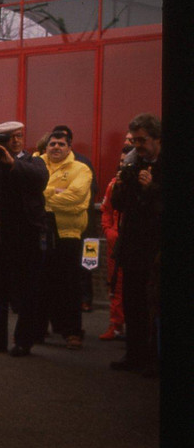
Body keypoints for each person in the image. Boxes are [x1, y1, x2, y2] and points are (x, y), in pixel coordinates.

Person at [0, 121, 48, 357]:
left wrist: (12, 164)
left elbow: (40, 180)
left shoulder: (33, 162)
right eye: (10, 138)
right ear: (0, 141)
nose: (16, 141)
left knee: (26, 291)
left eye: (19, 136)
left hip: (27, 235)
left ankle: (23, 341)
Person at [109, 114, 162, 376]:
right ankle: (134, 354)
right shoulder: (132, 163)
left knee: (154, 305)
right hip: (132, 245)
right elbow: (119, 205)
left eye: (142, 140)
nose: (137, 146)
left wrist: (152, 188)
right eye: (134, 140)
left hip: (157, 247)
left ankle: (154, 359)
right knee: (132, 302)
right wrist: (120, 187)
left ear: (158, 139)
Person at [39, 125, 92, 349]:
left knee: (69, 285)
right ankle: (39, 329)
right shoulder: (37, 164)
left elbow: (76, 199)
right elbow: (26, 193)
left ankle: (72, 332)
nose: (56, 147)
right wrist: (57, 192)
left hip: (68, 233)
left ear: (69, 148)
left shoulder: (81, 169)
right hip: (41, 232)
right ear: (46, 147)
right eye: (52, 143)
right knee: (41, 284)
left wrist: (43, 196)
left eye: (61, 144)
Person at [98, 144, 132, 341]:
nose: (123, 166)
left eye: (127, 163)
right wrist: (109, 232)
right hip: (115, 243)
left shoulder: (143, 185)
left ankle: (137, 329)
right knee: (115, 285)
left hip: (136, 243)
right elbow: (106, 212)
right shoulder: (113, 185)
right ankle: (116, 325)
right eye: (121, 162)